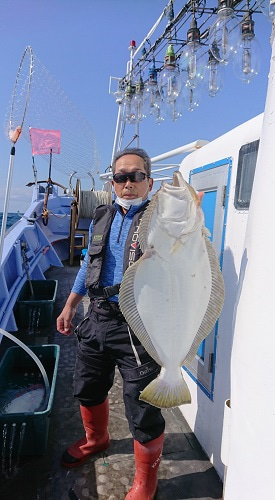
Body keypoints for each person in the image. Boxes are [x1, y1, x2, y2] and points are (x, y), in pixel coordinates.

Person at [57, 147, 165, 500]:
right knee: (87, 387)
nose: (128, 183)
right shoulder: (103, 216)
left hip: (138, 325)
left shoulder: (162, 219)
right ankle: (96, 439)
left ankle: (145, 482)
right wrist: (71, 305)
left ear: (149, 181)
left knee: (142, 404)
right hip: (97, 316)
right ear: (113, 182)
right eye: (121, 177)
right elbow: (89, 261)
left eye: (136, 176)